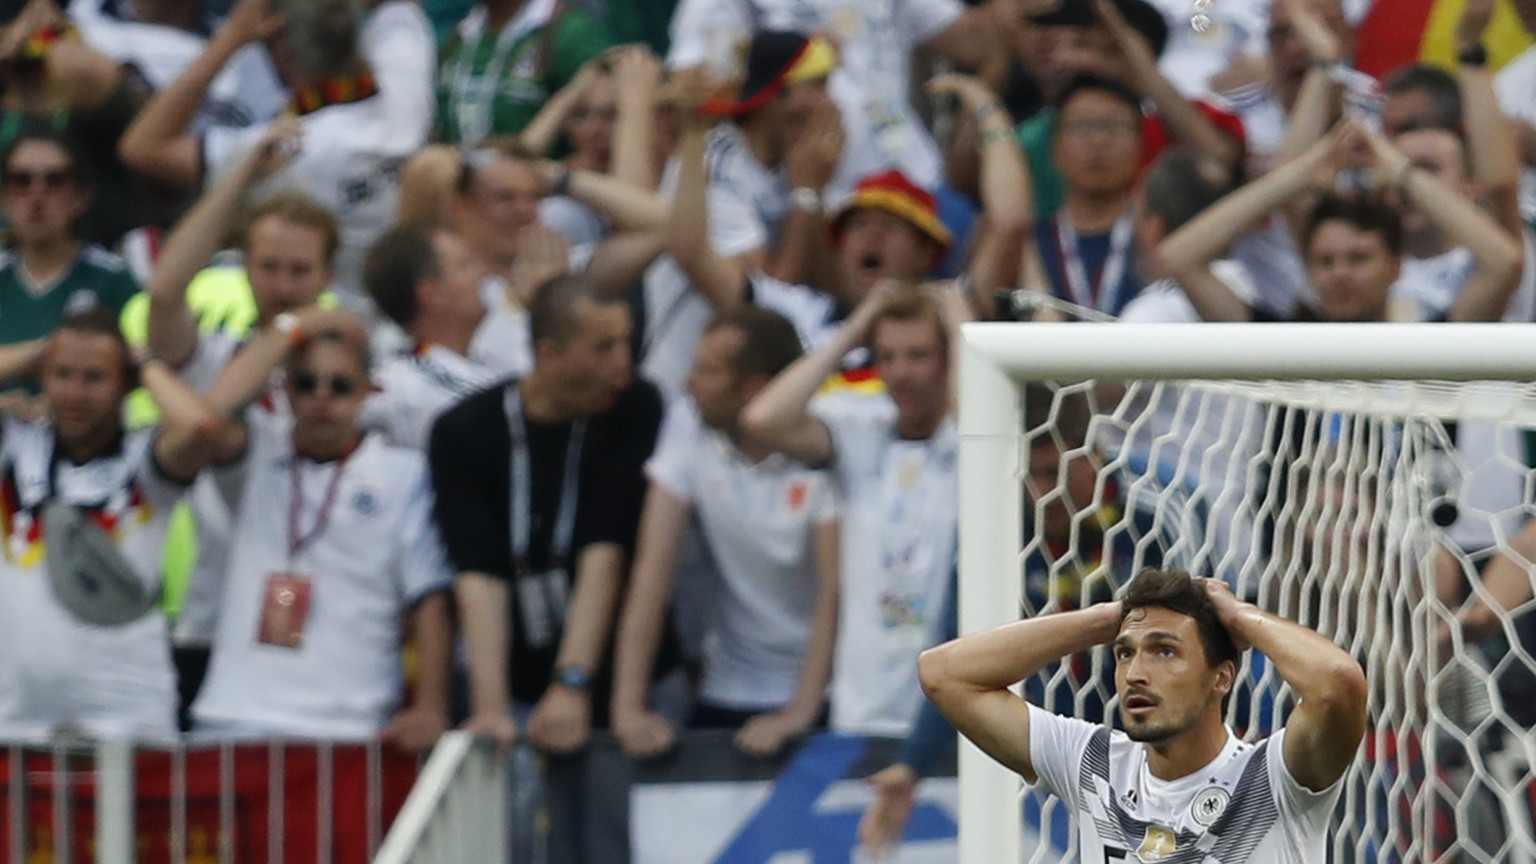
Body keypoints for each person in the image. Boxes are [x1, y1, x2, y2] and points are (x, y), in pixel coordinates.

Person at [429, 272, 662, 859]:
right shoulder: (465, 431)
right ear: (548, 355)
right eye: (603, 348)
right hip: (518, 681)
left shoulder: (633, 407)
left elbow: (604, 551)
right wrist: (489, 706)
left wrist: (573, 683)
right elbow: (477, 572)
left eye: (626, 343)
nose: (622, 365)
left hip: (619, 685)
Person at [921, 568, 1368, 862]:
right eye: (1124, 653)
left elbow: (1338, 683)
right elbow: (944, 674)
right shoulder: (1094, 765)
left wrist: (1237, 615)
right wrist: (1107, 619)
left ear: (1221, 678)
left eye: (1164, 651)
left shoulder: (1274, 780)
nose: (1135, 673)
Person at [187, 308, 451, 750]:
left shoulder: (404, 472)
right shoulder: (257, 450)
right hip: (232, 717)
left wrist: (432, 705)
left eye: (341, 385)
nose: (322, 397)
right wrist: (297, 324)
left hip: (347, 724)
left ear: (369, 391)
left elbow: (430, 596)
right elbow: (212, 414)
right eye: (306, 384)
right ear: (286, 390)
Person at [611, 306, 838, 759]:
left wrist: (799, 711)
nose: (688, 381)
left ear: (755, 388)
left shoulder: (827, 435)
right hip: (729, 685)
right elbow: (651, 573)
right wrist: (628, 708)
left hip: (828, 693)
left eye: (707, 370)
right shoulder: (687, 424)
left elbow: (835, 589)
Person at [742, 282, 967, 736]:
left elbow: (979, 410)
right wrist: (853, 331)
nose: (901, 372)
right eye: (887, 356)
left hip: (949, 721)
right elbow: (762, 419)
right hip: (860, 711)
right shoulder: (858, 437)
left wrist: (962, 326)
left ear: (948, 359)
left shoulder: (973, 441)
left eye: (919, 355)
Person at [0, 308, 220, 741]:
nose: (76, 393)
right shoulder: (14, 443)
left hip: (129, 720)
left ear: (125, 385)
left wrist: (147, 364)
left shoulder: (145, 459)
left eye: (95, 378)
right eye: (62, 374)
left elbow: (200, 426)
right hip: (16, 719)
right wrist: (37, 353)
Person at [119, 0, 435, 299]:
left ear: (282, 48)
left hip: (318, 319)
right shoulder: (407, 93)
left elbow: (143, 147)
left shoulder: (283, 152)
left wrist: (232, 36)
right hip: (408, 309)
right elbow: (399, 9)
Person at [361, 221, 529, 450]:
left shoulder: (487, 360)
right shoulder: (407, 388)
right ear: (432, 294)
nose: (482, 272)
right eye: (466, 265)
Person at [0, 130, 138, 366]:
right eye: (21, 180)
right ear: (4, 199)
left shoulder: (115, 280)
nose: (37, 194)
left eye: (54, 180)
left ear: (81, 197)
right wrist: (46, 351)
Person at [435, 0, 613, 145]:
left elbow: (604, 132)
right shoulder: (459, 38)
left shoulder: (570, 33)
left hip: (551, 183)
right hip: (465, 183)